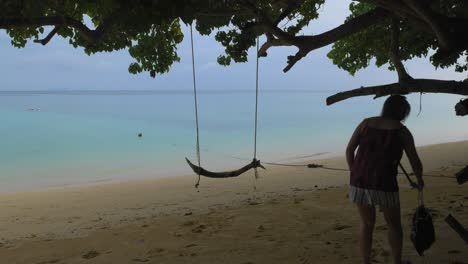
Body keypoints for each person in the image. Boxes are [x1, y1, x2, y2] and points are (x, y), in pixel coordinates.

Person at [346, 95, 424, 264]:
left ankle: (366, 261)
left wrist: (354, 172)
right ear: (403, 112)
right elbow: (414, 161)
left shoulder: (366, 123)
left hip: (360, 181)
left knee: (367, 224)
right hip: (385, 184)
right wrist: (419, 180)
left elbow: (349, 150)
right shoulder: (402, 131)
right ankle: (397, 261)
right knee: (394, 226)